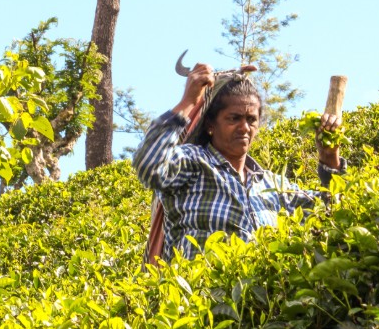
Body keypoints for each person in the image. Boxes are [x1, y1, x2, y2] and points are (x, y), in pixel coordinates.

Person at [133, 62, 346, 263]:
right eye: (234, 118)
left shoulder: (271, 185)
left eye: (251, 119)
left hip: (260, 300)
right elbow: (150, 165)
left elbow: (333, 213)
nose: (244, 127)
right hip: (199, 297)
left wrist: (329, 158)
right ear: (210, 125)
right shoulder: (193, 163)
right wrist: (188, 101)